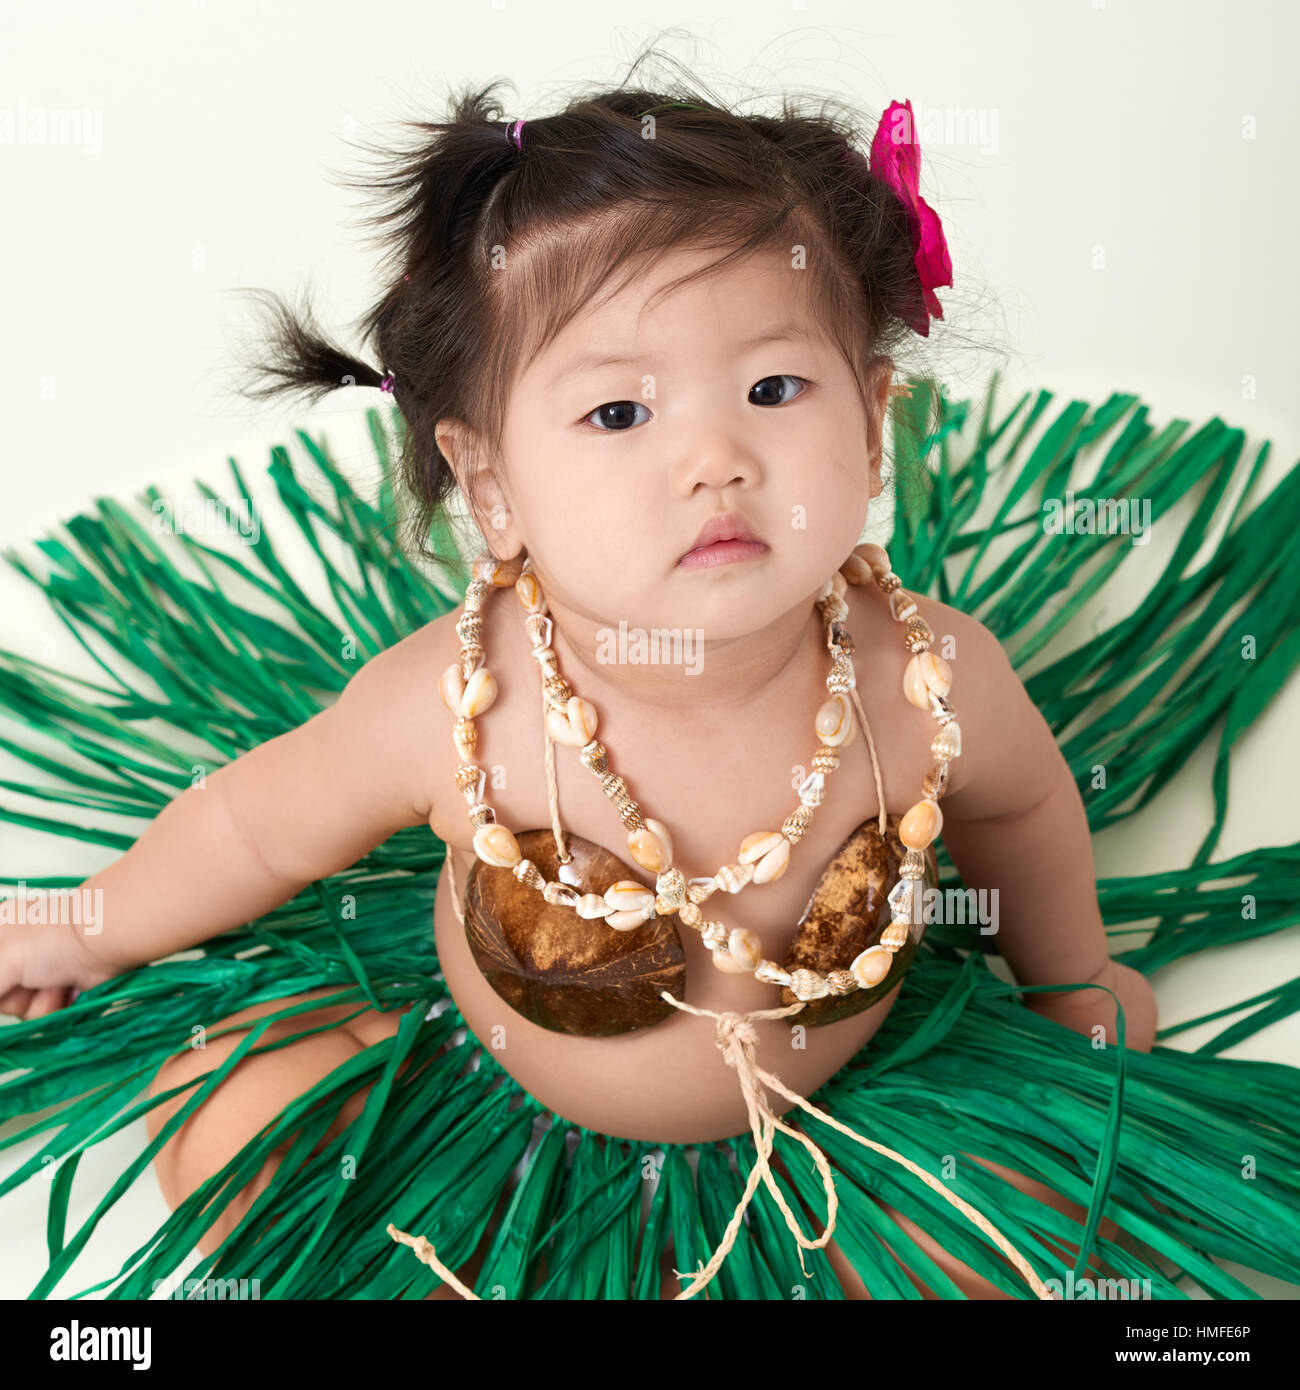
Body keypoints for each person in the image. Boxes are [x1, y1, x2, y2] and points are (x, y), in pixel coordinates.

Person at [2, 66, 1298, 1302]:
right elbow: (252, 823)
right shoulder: (462, 705)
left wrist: (1072, 983)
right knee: (233, 1126)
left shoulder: (923, 676)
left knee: (1021, 1238)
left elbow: (1021, 814)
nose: (715, 459)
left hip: (849, 1132)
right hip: (491, 1109)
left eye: (774, 387)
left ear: (873, 421)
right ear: (494, 486)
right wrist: (92, 921)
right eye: (620, 413)